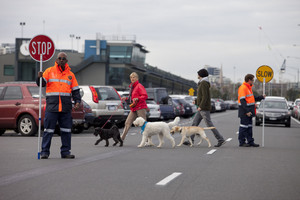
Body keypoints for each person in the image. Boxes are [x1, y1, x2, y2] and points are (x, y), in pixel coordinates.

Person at [36, 52, 81, 159]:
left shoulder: (71, 75)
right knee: (48, 130)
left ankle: (65, 152)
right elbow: (41, 84)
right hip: (52, 106)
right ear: (56, 60)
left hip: (65, 107)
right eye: (59, 58)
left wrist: (77, 101)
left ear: (66, 61)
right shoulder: (49, 71)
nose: (61, 60)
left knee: (66, 130)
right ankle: (44, 152)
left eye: (63, 58)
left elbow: (75, 90)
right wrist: (39, 78)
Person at [183, 68, 226, 147]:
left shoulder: (203, 83)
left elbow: (205, 96)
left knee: (209, 124)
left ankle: (220, 139)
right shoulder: (202, 83)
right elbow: (201, 96)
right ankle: (190, 140)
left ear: (201, 75)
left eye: (198, 74)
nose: (197, 75)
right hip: (202, 107)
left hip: (203, 108)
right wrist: (196, 102)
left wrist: (201, 106)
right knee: (194, 123)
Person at [238, 74, 265, 147]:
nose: (253, 81)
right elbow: (242, 101)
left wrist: (261, 97)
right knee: (243, 127)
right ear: (249, 80)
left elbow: (252, 98)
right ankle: (242, 142)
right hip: (245, 111)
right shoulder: (243, 88)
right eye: (253, 80)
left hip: (250, 110)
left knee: (249, 127)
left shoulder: (248, 88)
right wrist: (247, 111)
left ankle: (250, 141)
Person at [121, 72, 148, 141]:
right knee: (127, 122)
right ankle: (121, 138)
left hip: (140, 107)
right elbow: (132, 98)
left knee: (143, 124)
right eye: (131, 77)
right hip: (134, 108)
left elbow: (145, 96)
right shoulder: (132, 86)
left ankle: (147, 141)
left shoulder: (139, 86)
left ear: (137, 78)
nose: (132, 78)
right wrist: (126, 99)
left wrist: (138, 98)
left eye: (134, 77)